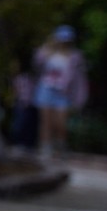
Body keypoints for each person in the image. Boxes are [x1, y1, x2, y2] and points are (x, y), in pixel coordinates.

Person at [32, 25, 89, 159]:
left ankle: (61, 146)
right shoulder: (47, 52)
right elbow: (36, 64)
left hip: (63, 93)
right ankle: (45, 149)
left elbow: (79, 79)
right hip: (46, 89)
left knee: (60, 123)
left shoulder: (75, 56)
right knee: (46, 122)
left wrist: (79, 98)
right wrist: (46, 48)